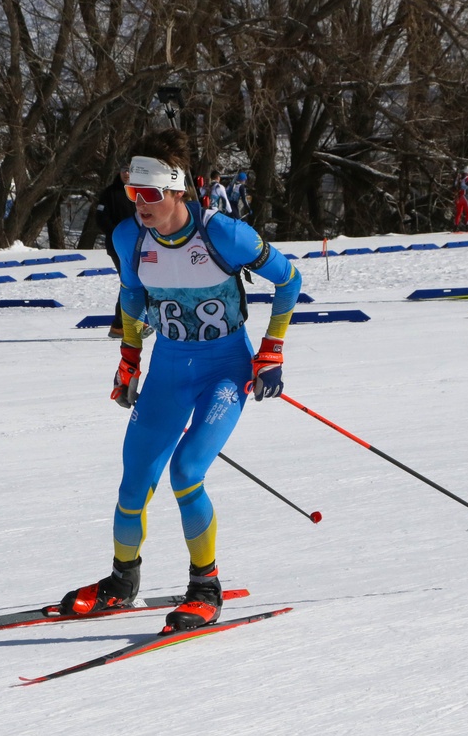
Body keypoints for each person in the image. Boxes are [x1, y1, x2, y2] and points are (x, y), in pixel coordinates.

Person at [60, 129, 302, 632]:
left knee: (187, 471)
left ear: (178, 189)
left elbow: (289, 279)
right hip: (169, 370)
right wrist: (130, 361)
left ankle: (205, 587)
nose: (139, 205)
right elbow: (131, 299)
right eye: (132, 193)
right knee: (133, 484)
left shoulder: (224, 234)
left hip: (223, 371)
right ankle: (121, 583)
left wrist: (272, 350)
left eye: (149, 195)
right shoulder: (130, 237)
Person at [95, 163, 135, 338]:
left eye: (130, 170)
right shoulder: (110, 193)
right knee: (129, 281)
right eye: (124, 170)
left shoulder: (139, 192)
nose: (126, 174)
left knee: (137, 282)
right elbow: (100, 218)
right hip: (118, 245)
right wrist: (117, 233)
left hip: (139, 244)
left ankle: (125, 323)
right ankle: (120, 325)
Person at [453, 166, 468, 232]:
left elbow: (455, 185)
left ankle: (456, 226)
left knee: (458, 212)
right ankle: (467, 226)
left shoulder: (459, 178)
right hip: (465, 196)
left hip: (458, 197)